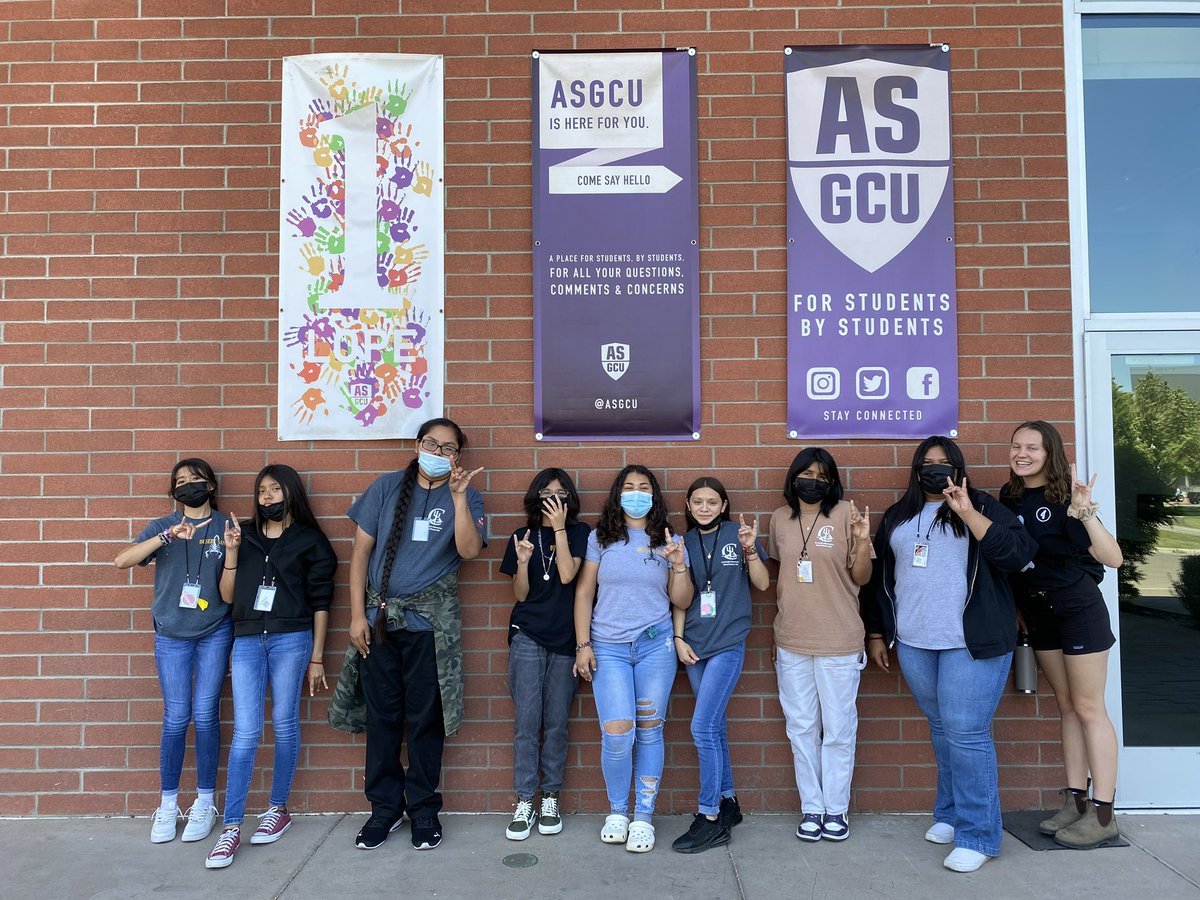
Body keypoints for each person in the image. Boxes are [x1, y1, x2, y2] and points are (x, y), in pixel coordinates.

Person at [864, 436, 1036, 873]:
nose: (935, 469)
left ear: (958, 468)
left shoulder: (982, 506)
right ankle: (951, 813)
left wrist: (966, 511)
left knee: (966, 732)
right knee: (942, 728)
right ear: (916, 468)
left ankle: (978, 834)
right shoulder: (898, 516)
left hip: (972, 643)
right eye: (928, 463)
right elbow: (879, 580)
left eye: (944, 463)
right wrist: (878, 633)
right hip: (917, 641)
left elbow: (1017, 555)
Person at [347, 417, 485, 852]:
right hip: (380, 624)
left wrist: (460, 500)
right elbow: (358, 554)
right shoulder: (386, 487)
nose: (438, 452)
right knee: (383, 719)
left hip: (430, 629)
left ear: (457, 456)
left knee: (427, 721)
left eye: (448, 448)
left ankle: (424, 809)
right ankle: (384, 810)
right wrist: (356, 616)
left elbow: (468, 551)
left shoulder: (469, 495)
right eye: (432, 443)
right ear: (417, 444)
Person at [204, 465, 338, 868]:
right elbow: (226, 596)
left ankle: (278, 809)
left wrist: (317, 655)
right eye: (261, 490)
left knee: (284, 722)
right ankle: (230, 828)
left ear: (291, 493)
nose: (266, 497)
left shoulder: (311, 542)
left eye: (275, 489)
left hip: (291, 639)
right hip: (245, 640)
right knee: (246, 731)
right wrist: (230, 553)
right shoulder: (240, 534)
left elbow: (321, 603)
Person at [1002, 420, 1123, 849]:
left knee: (1090, 709)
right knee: (1067, 707)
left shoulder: (1066, 498)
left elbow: (1114, 559)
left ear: (1049, 453)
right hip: (1039, 612)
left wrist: (1085, 510)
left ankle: (1104, 815)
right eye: (1016, 445)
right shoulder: (1010, 496)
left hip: (1077, 608)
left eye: (1032, 447)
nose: (1022, 454)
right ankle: (1076, 804)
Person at [573, 465, 692, 853]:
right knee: (618, 733)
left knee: (650, 729)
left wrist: (677, 563)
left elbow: (682, 600)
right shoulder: (600, 538)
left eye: (643, 487)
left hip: (654, 646)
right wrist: (583, 644)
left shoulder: (669, 539)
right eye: (629, 487)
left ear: (654, 495)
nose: (636, 493)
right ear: (617, 494)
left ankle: (643, 816)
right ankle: (617, 811)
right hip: (608, 646)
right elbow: (584, 593)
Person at [114, 458, 233, 846]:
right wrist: (167, 537)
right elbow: (122, 560)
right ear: (173, 492)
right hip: (171, 633)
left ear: (211, 486)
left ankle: (203, 802)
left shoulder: (225, 527)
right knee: (177, 716)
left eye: (196, 479)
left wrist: (231, 550)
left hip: (214, 629)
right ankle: (167, 805)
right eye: (180, 481)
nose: (188, 485)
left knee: (204, 713)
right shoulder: (163, 525)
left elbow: (230, 589)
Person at [769, 449, 872, 843]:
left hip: (840, 640)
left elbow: (861, 576)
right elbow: (783, 573)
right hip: (792, 639)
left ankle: (836, 809)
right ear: (793, 477)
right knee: (801, 728)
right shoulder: (779, 518)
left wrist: (862, 542)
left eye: (821, 475)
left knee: (839, 730)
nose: (813, 480)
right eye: (805, 473)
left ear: (832, 481)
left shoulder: (847, 513)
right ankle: (812, 808)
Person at [670, 477, 769, 853]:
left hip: (727, 643)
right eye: (698, 501)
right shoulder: (682, 541)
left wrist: (749, 552)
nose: (705, 507)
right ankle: (729, 802)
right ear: (689, 504)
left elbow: (760, 585)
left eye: (713, 501)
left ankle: (709, 816)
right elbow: (679, 599)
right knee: (715, 726)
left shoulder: (737, 534)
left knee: (702, 726)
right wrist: (679, 639)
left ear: (724, 505)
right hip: (695, 646)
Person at [500, 468, 590, 841]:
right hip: (528, 636)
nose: (554, 499)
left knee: (555, 722)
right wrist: (522, 562)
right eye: (547, 492)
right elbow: (520, 595)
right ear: (535, 497)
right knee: (526, 721)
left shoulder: (582, 533)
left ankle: (549, 796)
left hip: (567, 640)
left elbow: (568, 575)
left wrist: (559, 528)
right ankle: (524, 800)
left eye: (561, 493)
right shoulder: (521, 536)